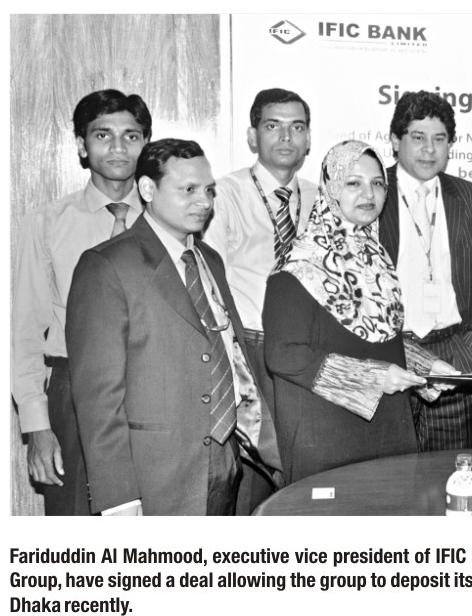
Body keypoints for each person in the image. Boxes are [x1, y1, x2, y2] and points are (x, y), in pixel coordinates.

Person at [67, 139, 262, 515]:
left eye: (209, 190)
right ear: (147, 189)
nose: (204, 202)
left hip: (225, 464)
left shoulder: (210, 260)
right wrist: (119, 499)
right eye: (188, 190)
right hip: (155, 479)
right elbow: (98, 400)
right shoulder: (107, 265)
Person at [263, 140, 452, 482]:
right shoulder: (298, 263)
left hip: (390, 428)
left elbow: (377, 340)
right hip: (327, 434)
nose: (369, 193)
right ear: (331, 188)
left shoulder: (376, 257)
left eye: (378, 183)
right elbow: (282, 354)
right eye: (354, 183)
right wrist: (371, 377)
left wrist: (427, 367)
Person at [12, 89, 151, 515]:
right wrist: (37, 427)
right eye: (103, 135)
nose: (118, 147)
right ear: (81, 145)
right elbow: (24, 332)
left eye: (131, 136)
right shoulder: (47, 223)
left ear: (146, 144)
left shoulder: (168, 218)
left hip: (152, 389)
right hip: (72, 389)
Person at [205, 88, 314, 511]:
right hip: (250, 351)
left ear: (308, 139)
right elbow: (210, 282)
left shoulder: (321, 197)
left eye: (297, 127)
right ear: (253, 136)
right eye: (273, 126)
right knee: (253, 483)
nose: (286, 137)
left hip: (306, 352)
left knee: (304, 480)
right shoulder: (224, 195)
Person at [378, 91, 472, 451]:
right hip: (389, 359)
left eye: (439, 139)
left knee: (453, 476)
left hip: (454, 362)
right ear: (395, 141)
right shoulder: (370, 193)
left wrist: (468, 358)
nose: (429, 150)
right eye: (418, 137)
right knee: (388, 478)